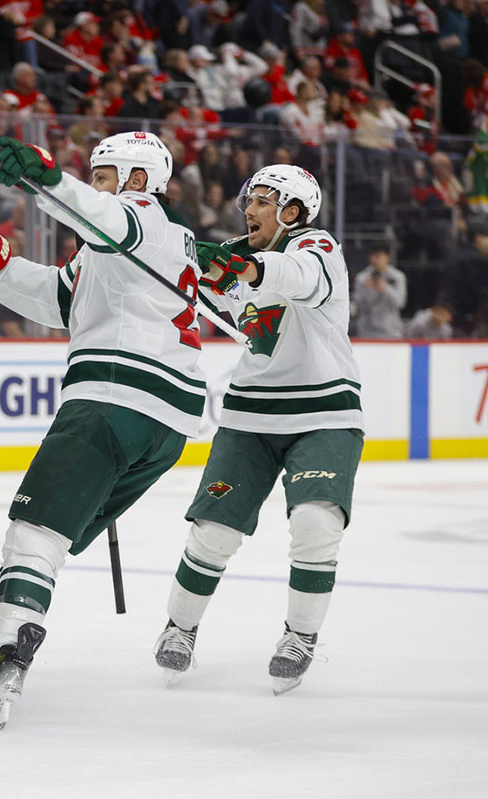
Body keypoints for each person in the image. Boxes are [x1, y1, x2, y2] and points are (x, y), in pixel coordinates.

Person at [0, 131, 206, 726]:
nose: (95, 184)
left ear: (136, 181)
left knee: (35, 531)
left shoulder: (141, 219)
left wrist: (42, 176)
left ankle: (8, 665)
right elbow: (59, 299)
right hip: (164, 423)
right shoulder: (124, 245)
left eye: (106, 175)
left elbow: (102, 214)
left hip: (113, 399)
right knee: (39, 536)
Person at [152, 164, 363, 695]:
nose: (249, 208)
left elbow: (292, 276)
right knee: (213, 532)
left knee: (317, 523)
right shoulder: (237, 259)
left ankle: (300, 636)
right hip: (249, 417)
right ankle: (180, 628)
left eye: (264, 201)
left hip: (325, 414)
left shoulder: (317, 247)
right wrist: (172, 258)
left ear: (291, 212)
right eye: (250, 199)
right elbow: (190, 289)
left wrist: (239, 266)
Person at [352, 244, 406, 338]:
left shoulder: (398, 277)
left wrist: (385, 288)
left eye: (378, 256)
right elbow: (358, 305)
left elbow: (400, 303)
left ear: (387, 257)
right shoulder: (362, 278)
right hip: (366, 331)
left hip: (391, 332)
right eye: (372, 256)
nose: (374, 260)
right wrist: (367, 289)